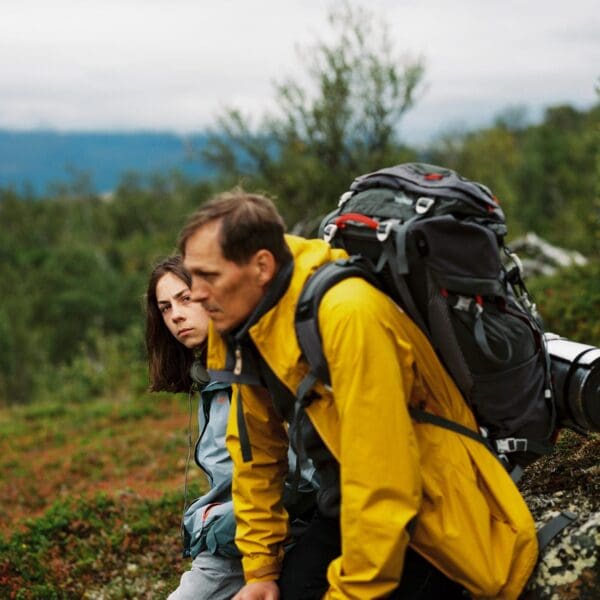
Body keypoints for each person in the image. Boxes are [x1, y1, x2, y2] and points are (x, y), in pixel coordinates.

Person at [178, 190, 540, 600]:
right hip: (347, 502)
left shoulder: (348, 314)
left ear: (261, 265)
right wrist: (261, 568)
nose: (198, 293)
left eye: (209, 276)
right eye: (193, 275)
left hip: (429, 513)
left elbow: (386, 479)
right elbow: (254, 452)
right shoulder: (238, 318)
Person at [145, 256, 317, 600]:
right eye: (165, 308)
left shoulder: (256, 372)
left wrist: (213, 525)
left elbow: (303, 480)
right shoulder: (211, 380)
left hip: (261, 544)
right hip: (237, 545)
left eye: (185, 299)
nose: (175, 315)